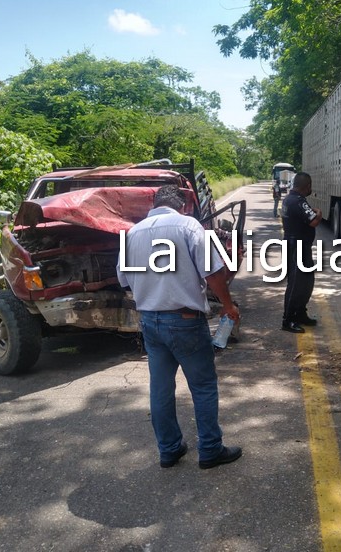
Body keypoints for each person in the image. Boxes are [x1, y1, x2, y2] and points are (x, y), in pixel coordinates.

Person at [117, 184, 242, 470]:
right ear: (183, 205)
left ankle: (169, 449)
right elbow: (212, 272)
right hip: (185, 321)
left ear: (154, 204)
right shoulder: (188, 226)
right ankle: (210, 449)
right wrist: (228, 304)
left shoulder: (132, 233)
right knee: (203, 385)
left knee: (160, 389)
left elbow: (123, 280)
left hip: (149, 321)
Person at [281, 172, 322, 333]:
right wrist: (319, 212)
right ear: (307, 186)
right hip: (296, 247)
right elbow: (314, 221)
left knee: (306, 283)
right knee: (296, 284)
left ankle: (300, 313)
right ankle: (288, 319)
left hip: (299, 246)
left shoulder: (291, 200)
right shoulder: (297, 201)